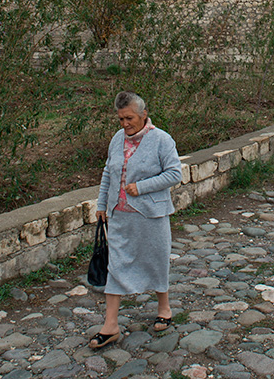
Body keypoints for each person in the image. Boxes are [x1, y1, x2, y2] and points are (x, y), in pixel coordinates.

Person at [89, 90, 183, 350]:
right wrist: (101, 204)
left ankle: (164, 307)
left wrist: (141, 187)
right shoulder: (117, 139)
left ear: (143, 115)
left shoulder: (162, 140)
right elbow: (108, 172)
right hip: (120, 215)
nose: (125, 124)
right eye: (120, 119)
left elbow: (175, 173)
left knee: (156, 259)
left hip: (151, 215)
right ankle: (110, 326)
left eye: (129, 118)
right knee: (116, 266)